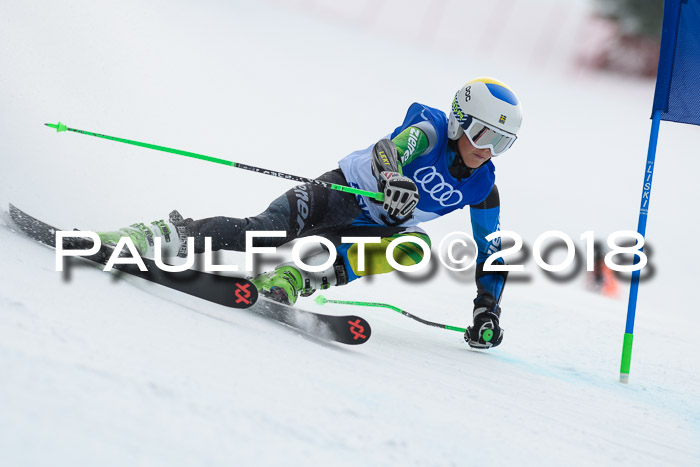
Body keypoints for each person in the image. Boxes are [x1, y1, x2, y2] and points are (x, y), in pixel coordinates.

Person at [98, 77, 523, 349]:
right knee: (261, 233)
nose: (487, 149)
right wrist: (391, 176)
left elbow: (491, 251)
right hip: (339, 191)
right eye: (483, 133)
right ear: (459, 121)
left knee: (414, 246)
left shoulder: (484, 186)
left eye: (502, 143)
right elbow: (388, 150)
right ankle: (161, 234)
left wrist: (487, 307)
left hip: (368, 232)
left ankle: (293, 277)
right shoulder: (429, 131)